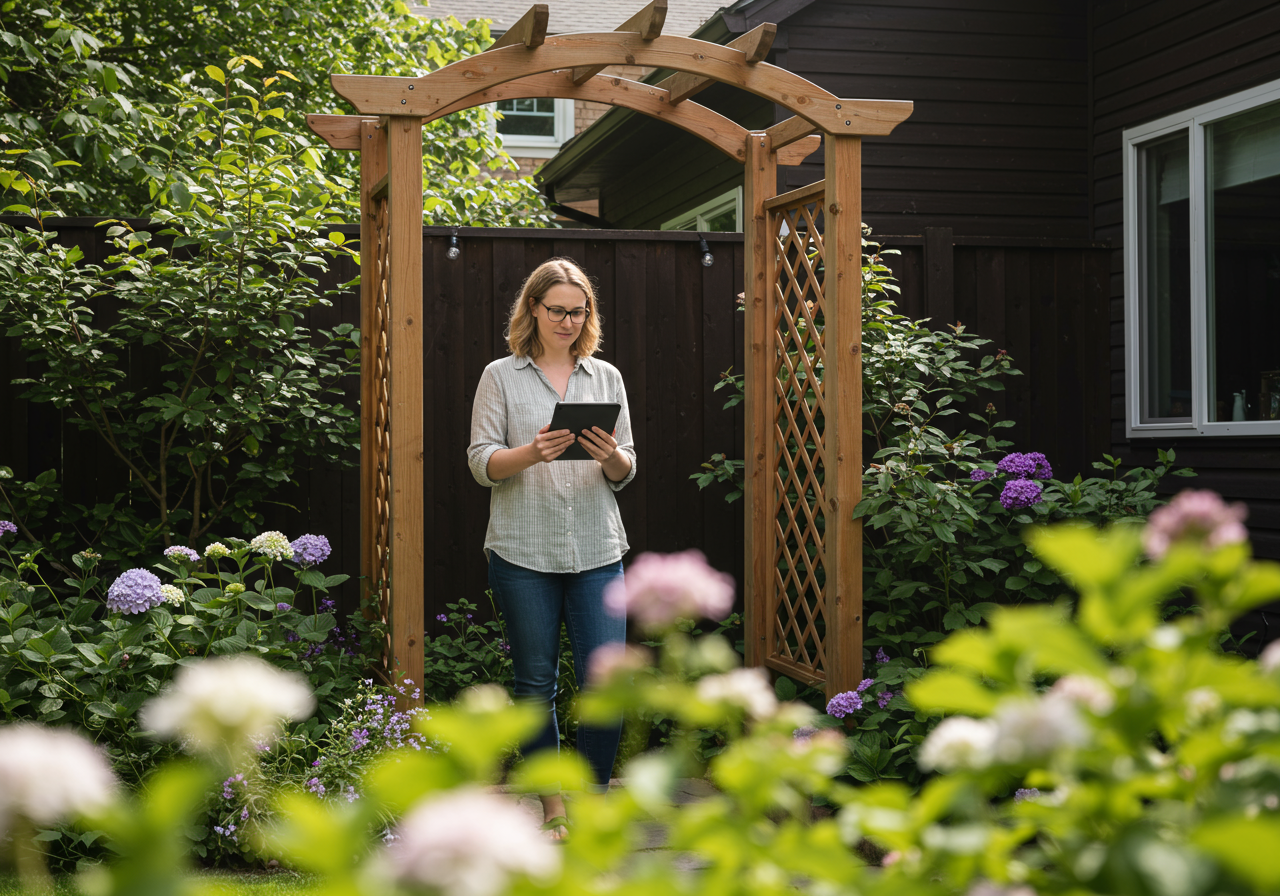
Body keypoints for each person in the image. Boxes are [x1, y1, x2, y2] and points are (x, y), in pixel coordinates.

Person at [467, 257, 636, 836]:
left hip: (597, 547)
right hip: (522, 551)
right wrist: (531, 453)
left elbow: (626, 466)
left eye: (578, 310)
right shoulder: (501, 376)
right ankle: (553, 806)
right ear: (533, 310)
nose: (568, 321)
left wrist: (609, 456)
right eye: (557, 310)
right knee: (535, 682)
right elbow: (481, 462)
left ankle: (591, 798)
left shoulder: (605, 377)